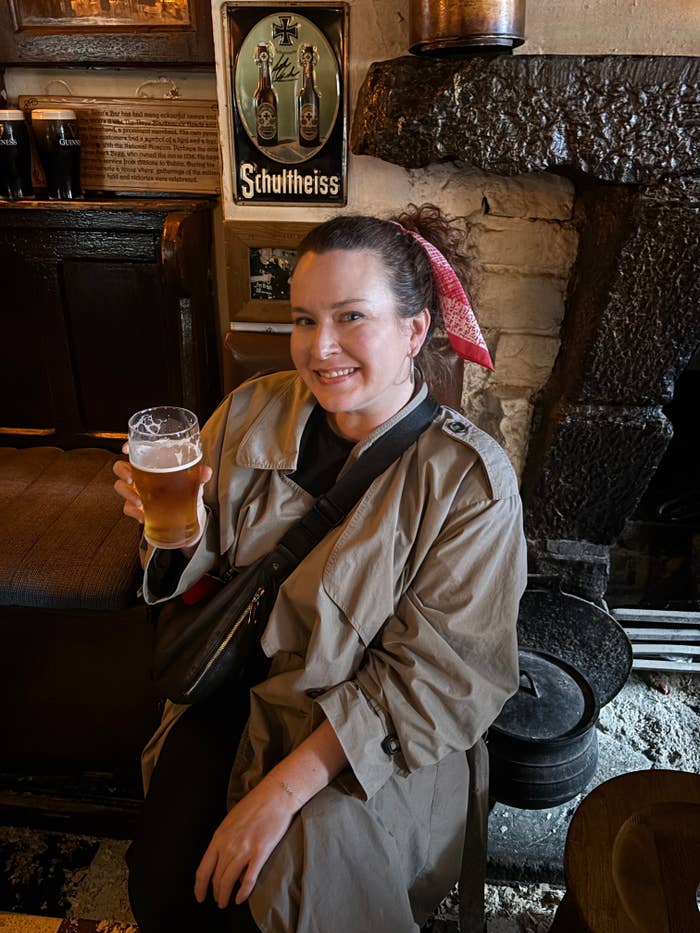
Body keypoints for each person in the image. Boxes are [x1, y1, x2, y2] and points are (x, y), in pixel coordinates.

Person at [113, 204, 527, 933]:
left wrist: (278, 793)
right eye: (304, 320)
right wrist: (176, 534)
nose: (320, 346)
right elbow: (202, 572)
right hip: (236, 691)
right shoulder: (251, 410)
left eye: (351, 317)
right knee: (167, 890)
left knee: (298, 892)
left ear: (415, 331)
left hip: (367, 735)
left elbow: (438, 679)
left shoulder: (470, 482)